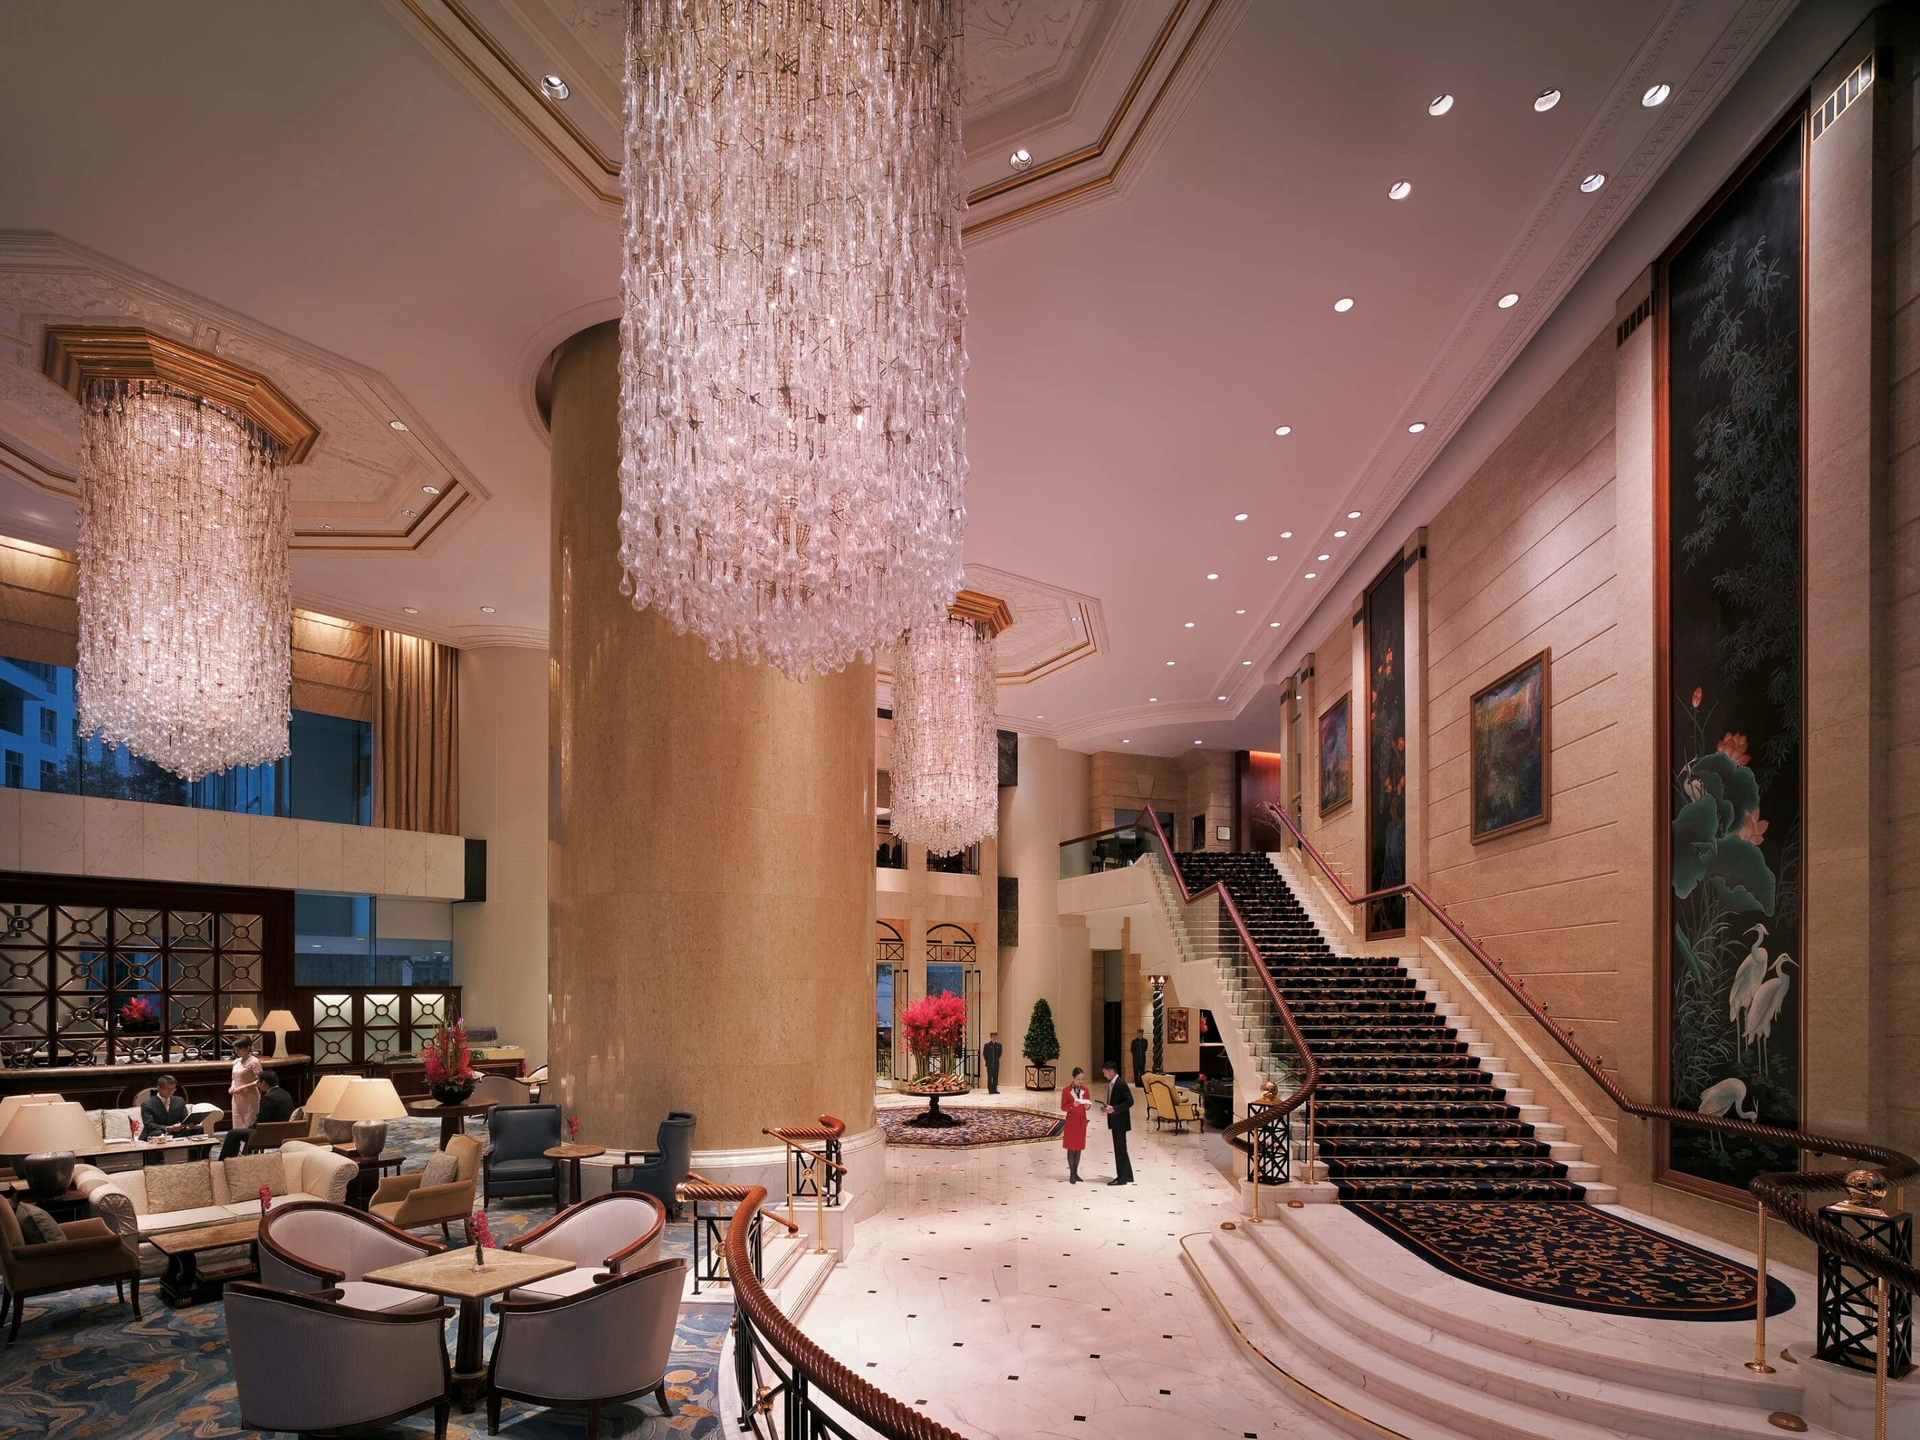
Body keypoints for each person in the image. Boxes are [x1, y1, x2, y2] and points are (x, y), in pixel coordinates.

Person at [1102, 1061, 1134, 1185]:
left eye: (1105, 1073)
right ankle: (1128, 1175)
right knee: (1121, 1149)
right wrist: (1107, 1108)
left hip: (1120, 1122)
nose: (1104, 1075)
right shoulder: (1113, 1083)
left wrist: (1114, 1109)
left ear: (1112, 1071)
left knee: (1119, 1149)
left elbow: (1130, 1101)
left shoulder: (1120, 1083)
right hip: (1116, 1121)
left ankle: (1121, 1179)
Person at [1060, 1067, 1093, 1182]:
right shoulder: (1066, 1091)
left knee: (1078, 1148)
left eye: (1082, 1079)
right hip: (1071, 1122)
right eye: (1078, 1079)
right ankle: (1072, 1174)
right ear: (1073, 1078)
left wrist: (1087, 1106)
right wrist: (1072, 1105)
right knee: (1071, 1148)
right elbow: (1063, 1107)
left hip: (1081, 1122)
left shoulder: (1085, 1090)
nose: (1080, 1081)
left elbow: (1088, 1104)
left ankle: (1076, 1173)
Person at [140, 1074, 192, 1139]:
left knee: (198, 1129)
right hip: (156, 1132)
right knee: (158, 1133)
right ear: (159, 1088)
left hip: (174, 1132)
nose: (170, 1091)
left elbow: (184, 1119)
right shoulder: (147, 1105)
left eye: (173, 1089)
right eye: (167, 1089)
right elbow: (149, 1125)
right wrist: (168, 1128)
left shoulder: (179, 1101)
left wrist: (188, 1125)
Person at [228, 1036, 264, 1132]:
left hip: (250, 1096)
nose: (237, 1051)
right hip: (237, 1097)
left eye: (239, 1049)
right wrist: (232, 1087)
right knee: (237, 1122)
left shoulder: (254, 1062)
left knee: (249, 1122)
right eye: (235, 1049)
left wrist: (243, 1087)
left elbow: (259, 1081)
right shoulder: (236, 1061)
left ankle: (249, 1142)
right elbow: (234, 1078)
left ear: (248, 1048)